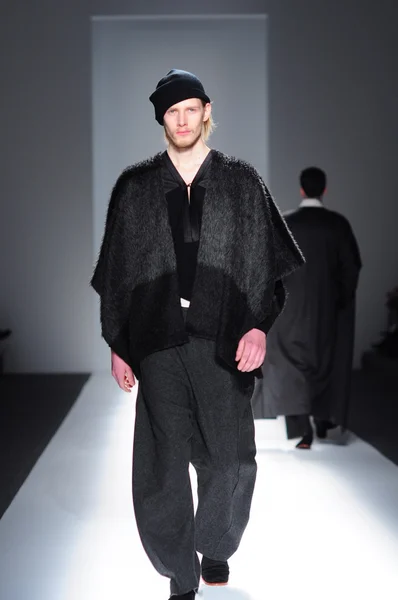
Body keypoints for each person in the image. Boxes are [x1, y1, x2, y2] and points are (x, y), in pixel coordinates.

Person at [91, 69, 304, 599]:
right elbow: (118, 271)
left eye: (191, 108)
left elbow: (265, 266)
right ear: (161, 118)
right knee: (163, 465)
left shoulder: (240, 180)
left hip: (222, 337)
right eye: (171, 111)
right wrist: (119, 344)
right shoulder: (135, 186)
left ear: (207, 111)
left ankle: (215, 546)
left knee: (229, 459)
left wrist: (257, 325)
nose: (182, 120)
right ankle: (180, 577)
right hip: (158, 340)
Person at [252, 167, 362, 449]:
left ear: (301, 189)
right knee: (324, 361)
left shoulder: (286, 223)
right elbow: (351, 268)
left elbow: (269, 267)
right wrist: (339, 299)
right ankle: (323, 420)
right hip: (325, 309)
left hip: (290, 308)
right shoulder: (337, 225)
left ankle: (302, 430)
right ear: (323, 190)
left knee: (290, 364)